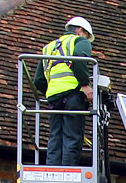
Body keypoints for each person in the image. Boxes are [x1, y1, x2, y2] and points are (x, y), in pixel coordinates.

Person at [33, 16, 96, 166]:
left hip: (54, 97)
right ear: (80, 30)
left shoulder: (49, 47)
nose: (87, 39)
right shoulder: (80, 41)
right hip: (73, 95)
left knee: (55, 136)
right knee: (72, 135)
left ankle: (52, 169)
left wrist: (51, 92)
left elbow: (38, 80)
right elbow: (80, 59)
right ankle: (68, 171)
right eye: (86, 35)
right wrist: (85, 85)